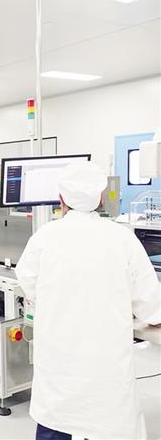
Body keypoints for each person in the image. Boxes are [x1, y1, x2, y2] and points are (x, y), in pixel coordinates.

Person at [15, 162, 161, 440]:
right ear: (101, 197)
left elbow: (28, 282)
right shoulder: (122, 239)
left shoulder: (44, 237)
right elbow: (151, 306)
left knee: (56, 422)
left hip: (59, 369)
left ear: (61, 199)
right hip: (106, 373)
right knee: (109, 423)